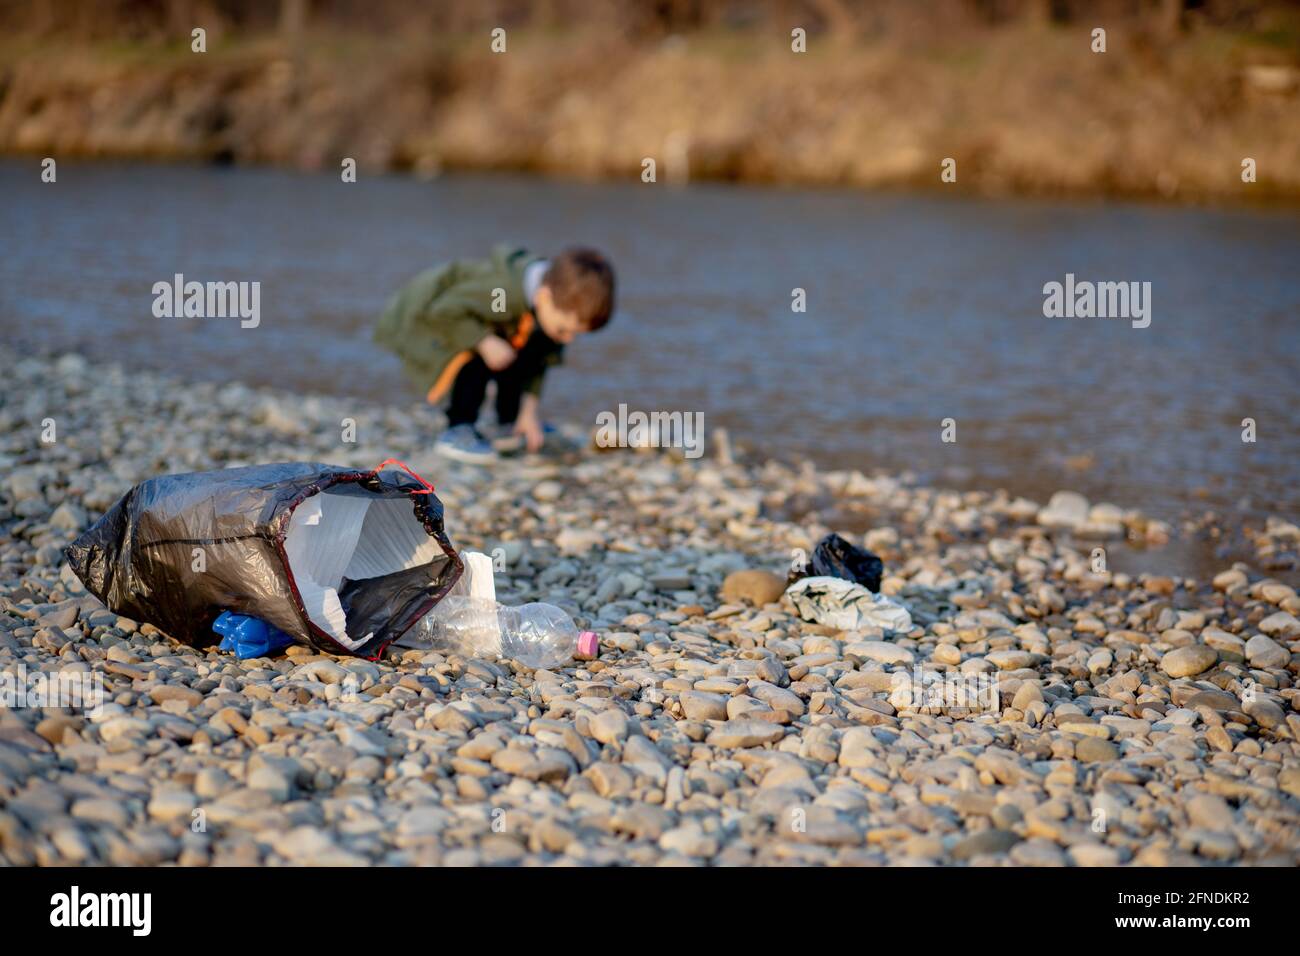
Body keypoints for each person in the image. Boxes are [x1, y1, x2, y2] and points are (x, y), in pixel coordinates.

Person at [375, 245, 616, 463]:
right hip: (422, 317)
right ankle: (458, 428)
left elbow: (541, 362)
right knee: (485, 351)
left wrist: (528, 414)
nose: (567, 339)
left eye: (574, 334)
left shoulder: (552, 304)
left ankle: (511, 424)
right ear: (543, 297)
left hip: (470, 320)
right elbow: (446, 311)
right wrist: (484, 341)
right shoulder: (502, 291)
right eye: (564, 330)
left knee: (526, 348)